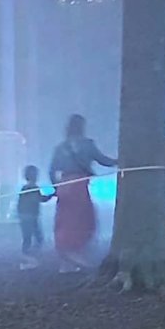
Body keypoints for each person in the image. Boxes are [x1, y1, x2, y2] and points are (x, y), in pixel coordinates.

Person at [48, 114, 115, 272]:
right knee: (82, 219)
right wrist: (119, 161)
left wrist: (57, 188)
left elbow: (52, 170)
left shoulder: (60, 147)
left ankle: (66, 257)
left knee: (65, 220)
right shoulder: (87, 144)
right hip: (79, 186)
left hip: (64, 186)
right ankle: (74, 253)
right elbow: (102, 160)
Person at [16, 164, 52, 269]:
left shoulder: (25, 188)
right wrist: (52, 195)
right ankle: (28, 259)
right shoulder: (32, 187)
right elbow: (39, 199)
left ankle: (29, 259)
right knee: (35, 238)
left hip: (26, 217)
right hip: (30, 217)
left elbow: (21, 204)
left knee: (30, 238)